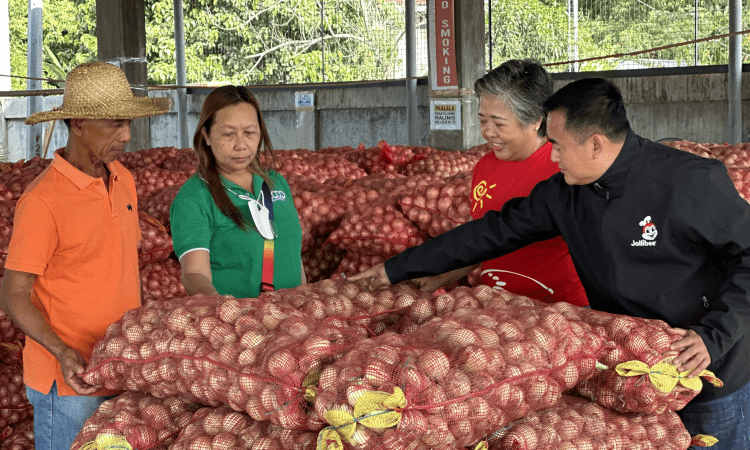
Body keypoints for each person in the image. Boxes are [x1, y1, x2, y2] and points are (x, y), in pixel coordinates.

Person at [350, 77, 750, 447]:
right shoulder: (564, 193)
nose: (551, 155)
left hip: (705, 366)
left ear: (595, 143)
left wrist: (712, 336)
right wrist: (395, 269)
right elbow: (490, 232)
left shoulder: (689, 182)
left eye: (557, 145)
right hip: (630, 365)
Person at [0, 62, 170, 450]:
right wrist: (62, 351)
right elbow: (12, 294)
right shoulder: (43, 201)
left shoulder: (123, 180)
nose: (127, 135)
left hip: (119, 366)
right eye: (114, 123)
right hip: (69, 384)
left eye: (127, 123)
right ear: (77, 122)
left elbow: (126, 267)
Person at [416, 60, 587, 306]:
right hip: (498, 313)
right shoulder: (485, 166)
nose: (487, 132)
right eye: (482, 120)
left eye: (498, 123)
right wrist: (438, 275)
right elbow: (481, 242)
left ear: (536, 120)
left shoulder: (565, 169)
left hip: (560, 311)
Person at [170, 85, 304, 298]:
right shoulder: (196, 197)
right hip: (241, 325)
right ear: (206, 135)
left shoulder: (275, 182)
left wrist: (304, 300)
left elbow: (293, 256)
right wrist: (223, 311)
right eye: (228, 134)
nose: (241, 145)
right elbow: (195, 274)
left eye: (250, 133)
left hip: (292, 321)